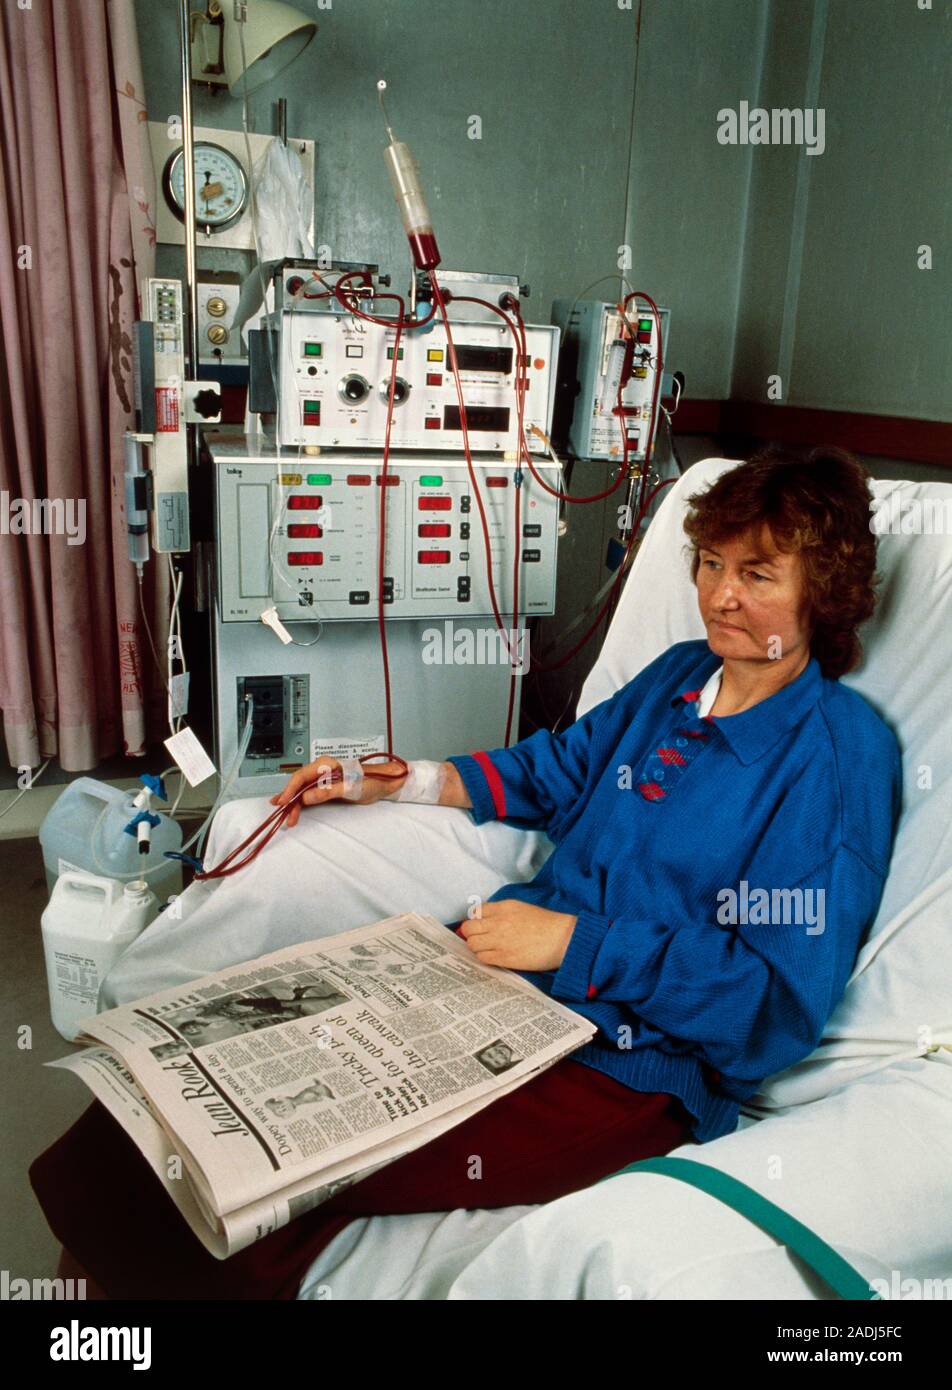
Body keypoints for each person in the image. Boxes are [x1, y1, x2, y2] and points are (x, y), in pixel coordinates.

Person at [31, 446, 903, 1300]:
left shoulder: (837, 755)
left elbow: (774, 1007)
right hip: (491, 977)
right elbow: (555, 772)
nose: (719, 595)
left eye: (758, 574)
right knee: (176, 1097)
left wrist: (574, 942)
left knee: (263, 1169)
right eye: (711, 562)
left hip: (627, 1065)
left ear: (820, 592)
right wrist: (398, 779)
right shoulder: (683, 678)